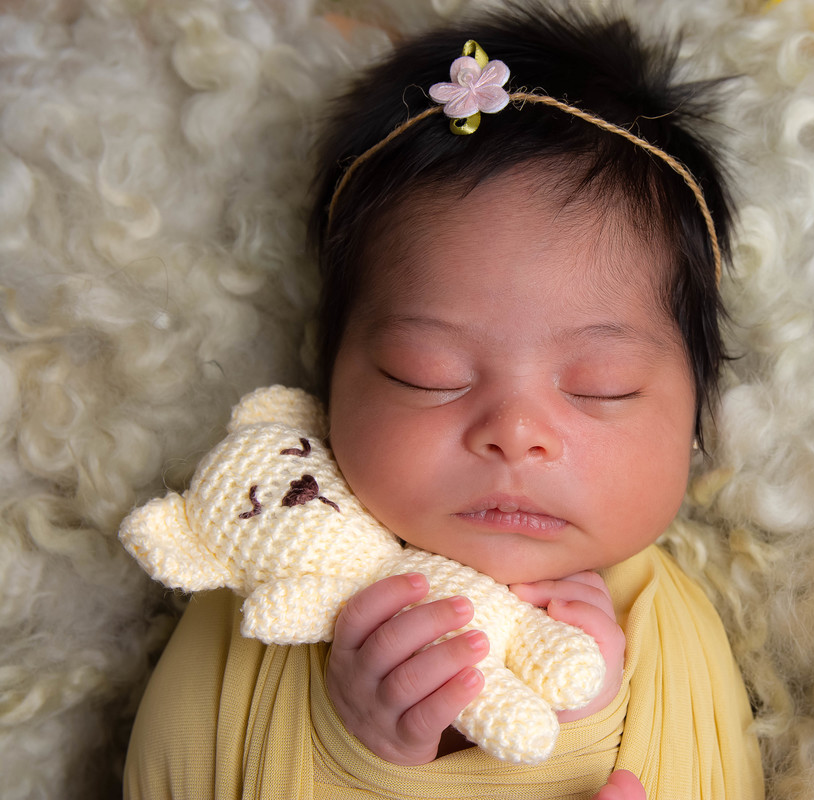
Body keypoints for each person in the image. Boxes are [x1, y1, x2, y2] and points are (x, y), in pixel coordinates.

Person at [123, 6, 763, 799]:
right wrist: (362, 744)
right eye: (427, 373)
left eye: (604, 385)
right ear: (329, 383)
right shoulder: (272, 582)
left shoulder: (677, 637)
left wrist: (587, 724)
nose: (515, 433)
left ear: (697, 413)